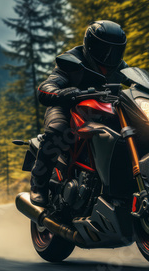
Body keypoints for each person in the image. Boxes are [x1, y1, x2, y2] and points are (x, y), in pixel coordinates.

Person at [30, 20, 128, 207]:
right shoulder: (72, 61)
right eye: (103, 50)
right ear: (90, 45)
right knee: (58, 131)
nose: (109, 57)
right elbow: (46, 87)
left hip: (102, 112)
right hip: (67, 107)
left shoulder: (121, 67)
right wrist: (62, 93)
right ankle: (38, 184)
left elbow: (136, 82)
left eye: (115, 51)